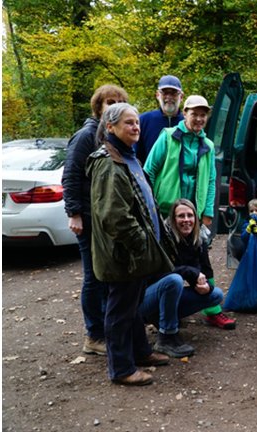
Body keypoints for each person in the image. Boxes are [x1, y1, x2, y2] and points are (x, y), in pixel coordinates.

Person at [86, 103, 174, 386]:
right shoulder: (109, 162)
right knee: (120, 310)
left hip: (134, 252)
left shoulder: (126, 156)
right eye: (128, 123)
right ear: (110, 127)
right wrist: (140, 246)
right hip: (122, 254)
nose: (135, 127)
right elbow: (115, 216)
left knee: (133, 305)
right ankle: (122, 368)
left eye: (136, 122)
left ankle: (140, 352)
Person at [144, 94, 235, 329]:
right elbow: (148, 172)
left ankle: (213, 310)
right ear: (184, 113)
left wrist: (206, 215)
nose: (199, 118)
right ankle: (162, 310)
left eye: (203, 114)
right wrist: (151, 208)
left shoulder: (208, 145)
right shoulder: (167, 137)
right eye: (194, 113)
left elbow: (212, 181)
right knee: (166, 262)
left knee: (201, 257)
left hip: (191, 217)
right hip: (165, 213)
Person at [61, 84, 129, 356]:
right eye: (108, 102)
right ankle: (94, 335)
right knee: (93, 278)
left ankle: (106, 329)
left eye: (118, 102)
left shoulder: (110, 136)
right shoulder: (87, 135)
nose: (112, 106)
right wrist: (74, 213)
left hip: (105, 221)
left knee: (106, 276)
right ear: (98, 107)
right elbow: (71, 176)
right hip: (88, 219)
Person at [140, 199, 228, 358]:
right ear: (173, 219)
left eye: (190, 215)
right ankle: (166, 337)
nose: (186, 220)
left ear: (195, 218)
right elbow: (155, 275)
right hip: (145, 299)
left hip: (167, 296)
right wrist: (190, 272)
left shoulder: (198, 241)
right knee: (173, 280)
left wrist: (206, 286)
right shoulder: (163, 239)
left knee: (216, 295)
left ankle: (165, 320)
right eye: (181, 216)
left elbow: (206, 272)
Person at [134, 75, 185, 164]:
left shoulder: (187, 123)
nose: (169, 97)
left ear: (181, 96)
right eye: (165, 93)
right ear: (157, 95)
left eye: (173, 93)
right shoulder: (143, 121)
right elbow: (133, 153)